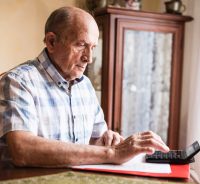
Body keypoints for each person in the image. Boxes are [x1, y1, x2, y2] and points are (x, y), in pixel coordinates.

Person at [0, 6, 169, 167]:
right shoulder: (18, 81)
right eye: (81, 45)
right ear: (51, 42)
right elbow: (23, 150)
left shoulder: (85, 85)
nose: (89, 58)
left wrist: (108, 140)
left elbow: (95, 139)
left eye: (93, 47)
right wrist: (112, 154)